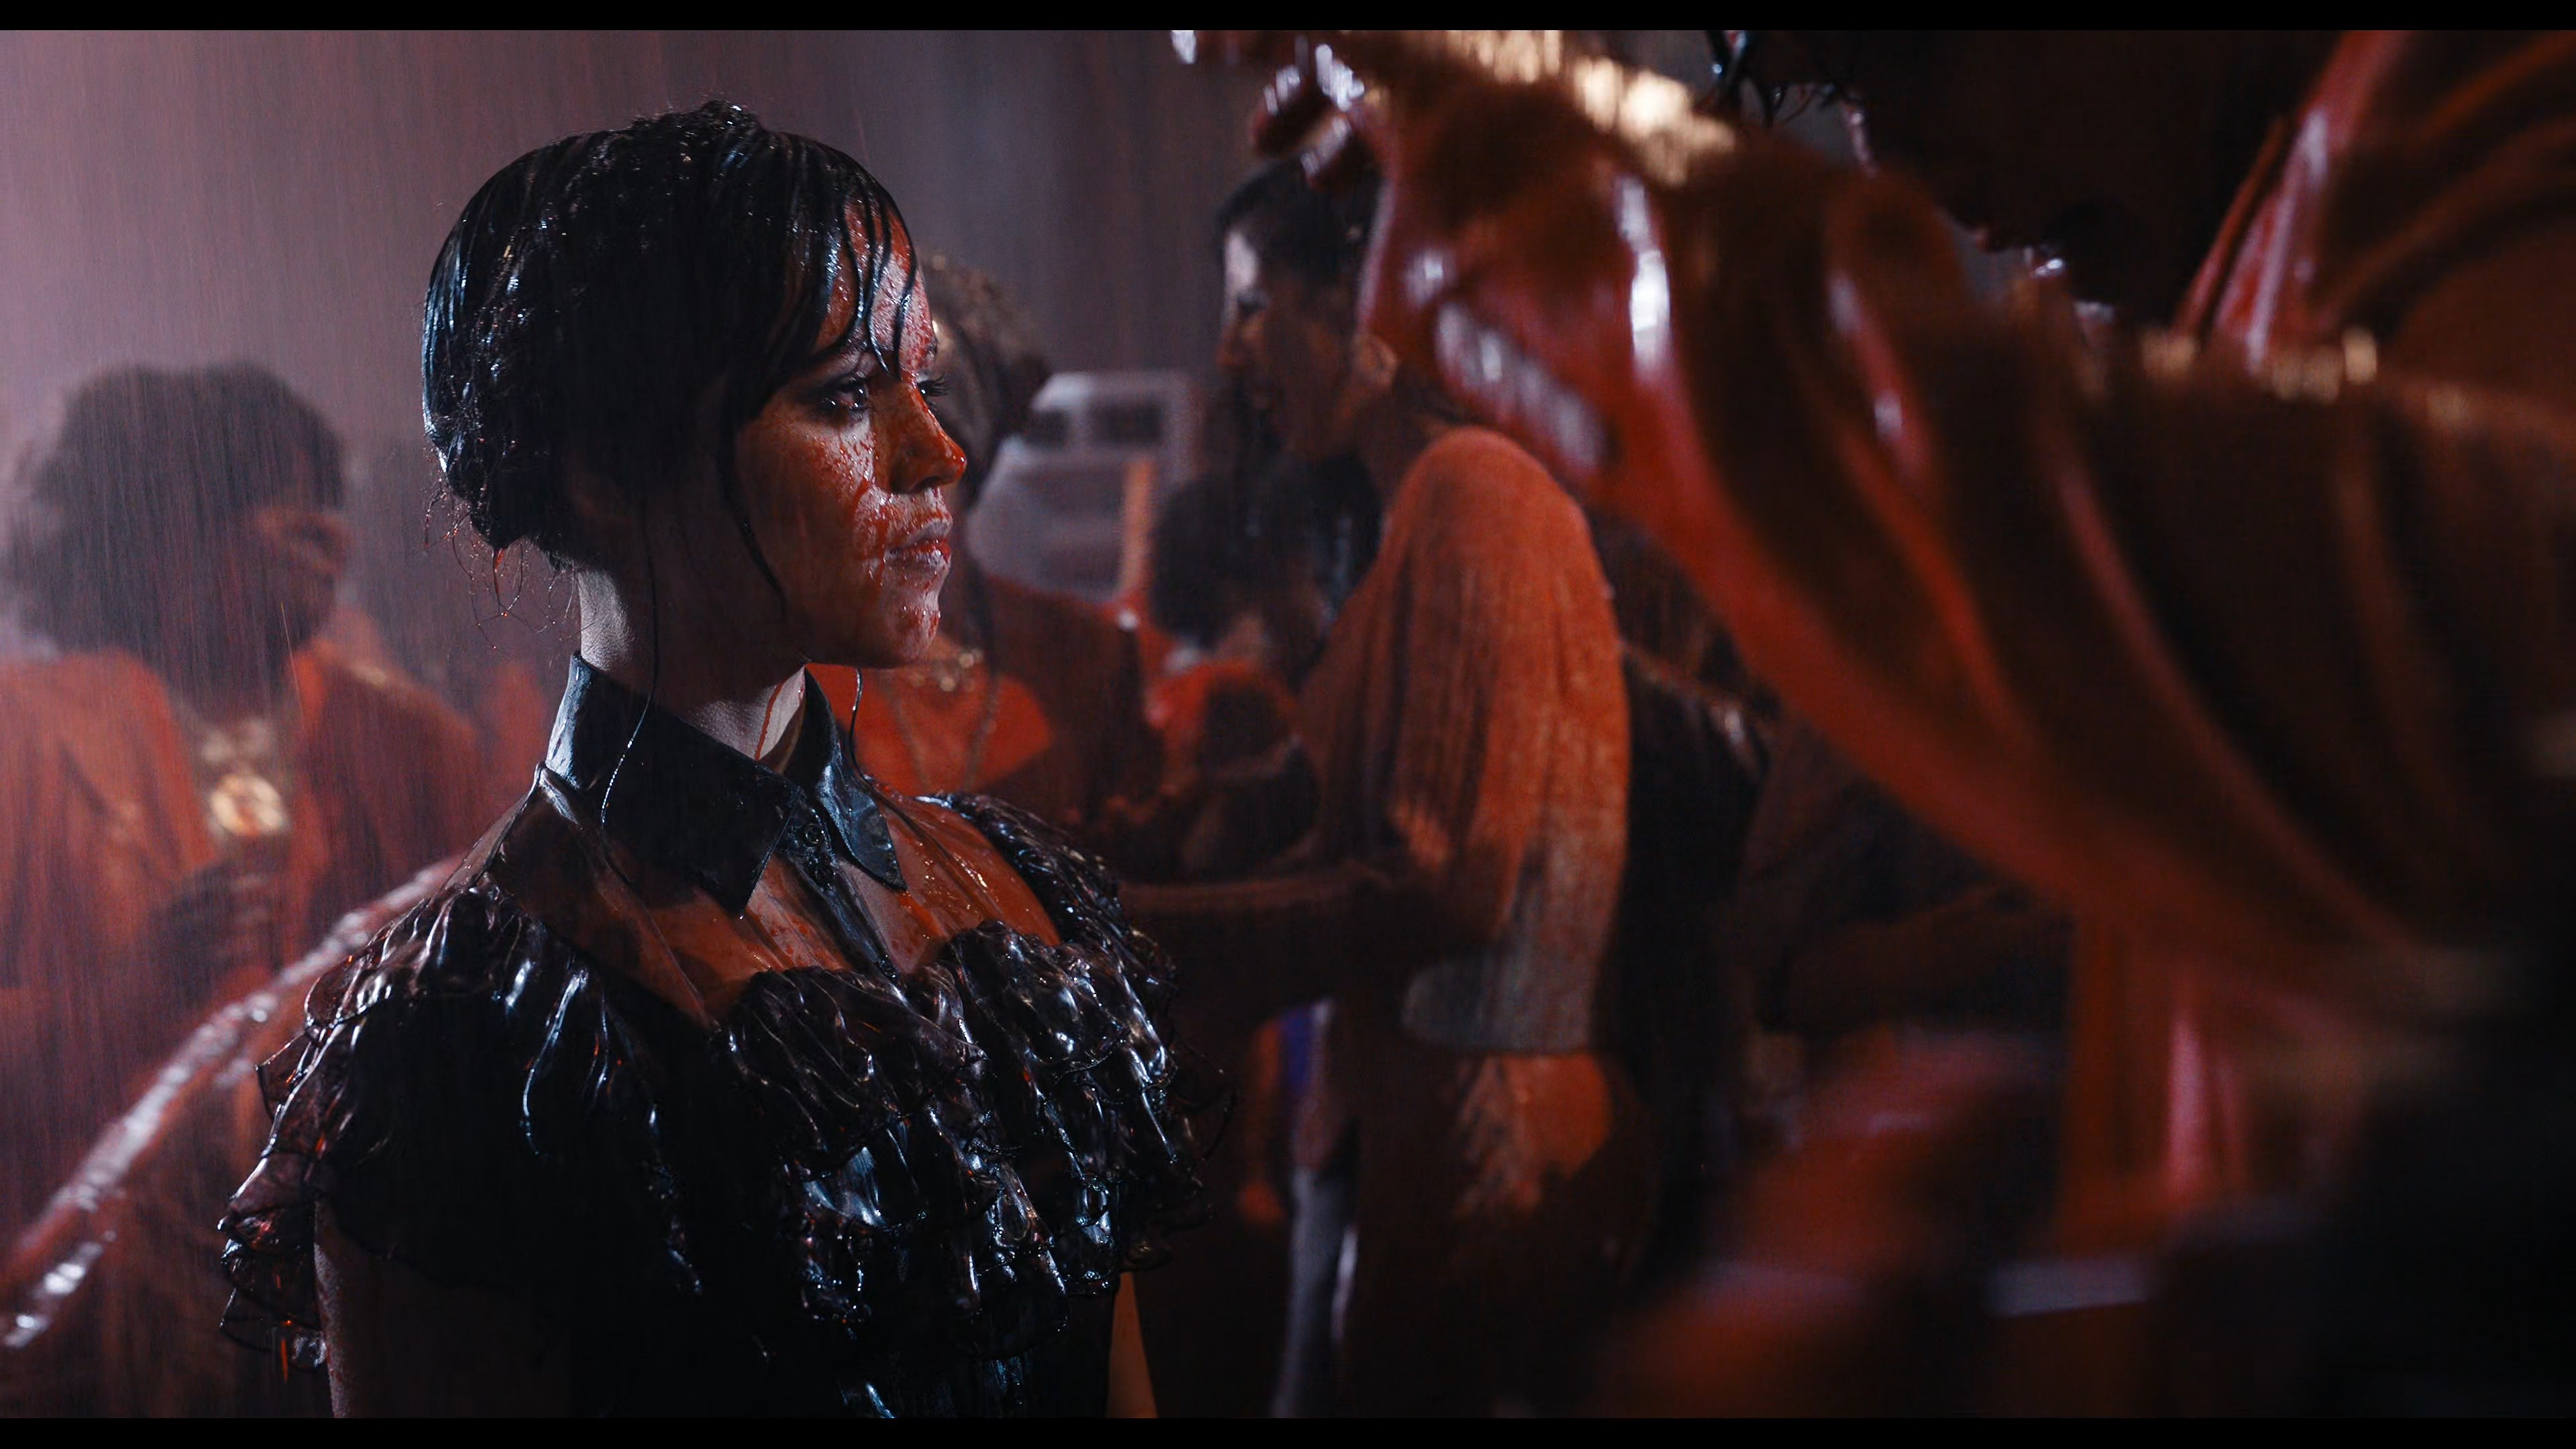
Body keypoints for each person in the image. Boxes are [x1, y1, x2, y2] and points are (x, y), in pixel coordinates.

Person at [1216, 28, 2576, 1409]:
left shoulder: (2475, 103)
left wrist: (1578, 220)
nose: (1906, 168)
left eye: (1911, 51)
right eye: (1836, 91)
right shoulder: (2225, 251)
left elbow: (2469, 662)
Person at [218, 103, 1207, 1417]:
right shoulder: (476, 1035)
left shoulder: (1013, 898)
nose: (936, 452)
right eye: (844, 396)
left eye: (918, 383)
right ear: (603, 469)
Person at [1126, 159, 1652, 1416]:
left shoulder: (1477, 495)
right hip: (1424, 1129)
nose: (1232, 352)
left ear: (1368, 303)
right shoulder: (1427, 511)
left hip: (1481, 1137)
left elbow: (1442, 883)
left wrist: (1148, 936)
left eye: (1254, 306)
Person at [0, 364, 484, 1244]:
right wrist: (120, 1000)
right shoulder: (25, 734)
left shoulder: (409, 743)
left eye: (326, 500)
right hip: (97, 1287)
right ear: (167, 530)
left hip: (338, 1267)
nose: (323, 531)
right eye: (272, 496)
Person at [816, 256, 1162, 839]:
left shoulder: (1083, 657)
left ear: (965, 460)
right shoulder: (791, 663)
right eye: (865, 428)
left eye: (928, 435)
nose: (892, 472)